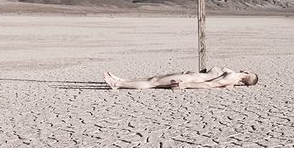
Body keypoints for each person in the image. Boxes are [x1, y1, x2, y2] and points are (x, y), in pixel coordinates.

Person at [104, 66, 259, 90]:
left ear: (247, 73)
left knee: (154, 82)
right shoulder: (234, 78)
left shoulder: (232, 77)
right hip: (190, 76)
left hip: (189, 80)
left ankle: (117, 84)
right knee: (154, 78)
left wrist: (186, 85)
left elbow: (210, 85)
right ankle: (122, 80)